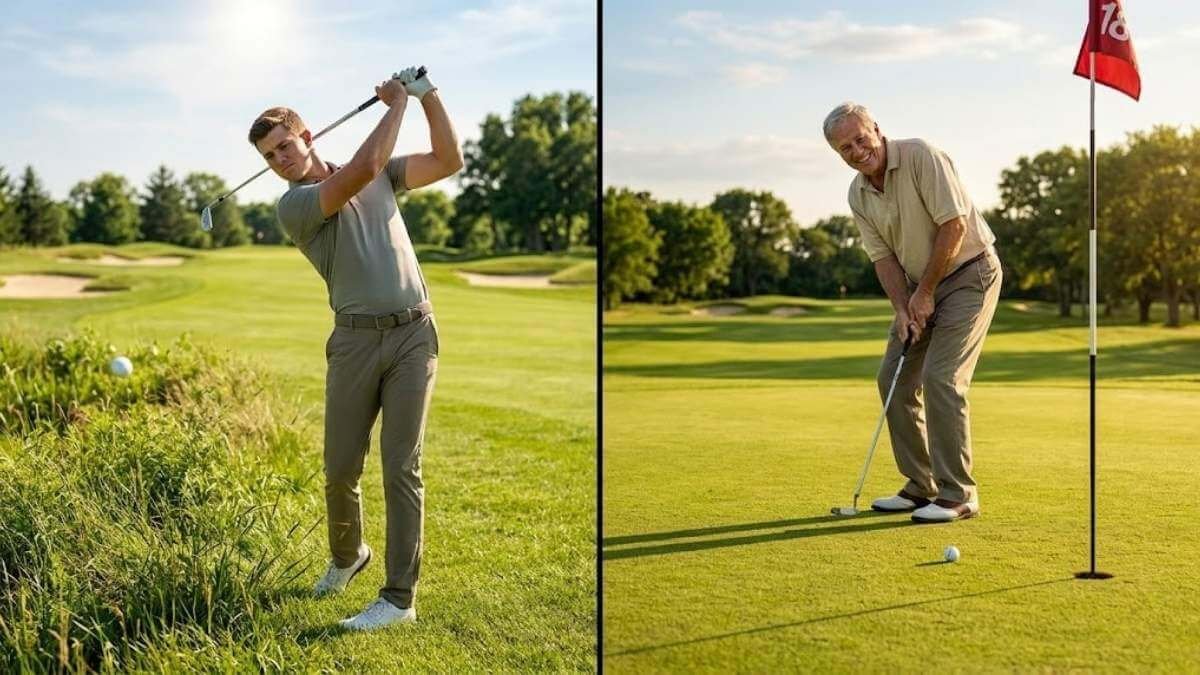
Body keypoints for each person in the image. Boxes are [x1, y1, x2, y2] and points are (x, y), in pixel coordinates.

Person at [248, 67, 463, 629]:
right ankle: (348, 556)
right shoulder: (295, 206)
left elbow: (448, 161)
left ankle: (398, 600)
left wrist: (427, 96)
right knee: (341, 468)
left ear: (307, 136)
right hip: (353, 342)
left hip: (414, 334)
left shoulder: (383, 172)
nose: (280, 160)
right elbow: (362, 168)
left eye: (285, 146)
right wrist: (396, 104)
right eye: (270, 157)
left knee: (401, 466)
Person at [823, 102, 1001, 523]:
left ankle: (959, 494)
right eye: (845, 148)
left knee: (942, 378)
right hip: (920, 287)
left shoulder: (922, 155)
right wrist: (903, 309)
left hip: (969, 274)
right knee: (893, 379)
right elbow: (882, 258)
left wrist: (925, 293)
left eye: (861, 139)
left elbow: (954, 226)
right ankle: (922, 486)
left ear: (877, 130)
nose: (857, 151)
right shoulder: (857, 193)